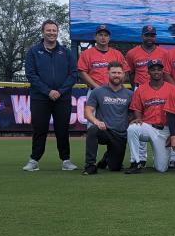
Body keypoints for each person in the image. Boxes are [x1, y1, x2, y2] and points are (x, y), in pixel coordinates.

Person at [23, 19, 78, 172]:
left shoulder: (66, 52)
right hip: (40, 98)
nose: (52, 33)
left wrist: (60, 91)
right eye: (49, 30)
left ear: (57, 32)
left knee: (62, 130)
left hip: (63, 97)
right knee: (39, 129)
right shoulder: (33, 52)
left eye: (54, 30)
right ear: (43, 32)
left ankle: (66, 160)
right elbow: (31, 75)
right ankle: (34, 160)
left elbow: (73, 74)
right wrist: (48, 91)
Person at [125, 59, 175, 174]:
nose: (156, 72)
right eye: (153, 70)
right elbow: (137, 108)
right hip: (148, 126)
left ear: (163, 71)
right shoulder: (141, 89)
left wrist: (173, 134)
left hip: (165, 130)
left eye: (159, 69)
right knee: (132, 128)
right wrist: (138, 118)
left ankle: (160, 159)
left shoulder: (172, 89)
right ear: (148, 72)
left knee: (161, 168)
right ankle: (135, 162)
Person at [82, 61, 133, 175]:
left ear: (123, 75)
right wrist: (96, 121)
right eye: (113, 72)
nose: (116, 75)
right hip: (104, 130)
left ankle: (106, 158)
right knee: (92, 130)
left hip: (120, 134)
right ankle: (90, 165)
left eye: (119, 73)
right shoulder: (98, 91)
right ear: (108, 74)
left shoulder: (130, 94)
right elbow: (88, 111)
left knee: (115, 168)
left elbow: (133, 114)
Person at [77, 24, 129, 88]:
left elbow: (126, 71)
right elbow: (82, 73)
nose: (103, 38)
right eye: (100, 35)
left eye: (106, 35)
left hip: (114, 91)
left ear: (109, 38)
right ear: (95, 37)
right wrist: (97, 88)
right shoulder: (86, 53)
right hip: (94, 90)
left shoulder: (117, 54)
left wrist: (117, 85)